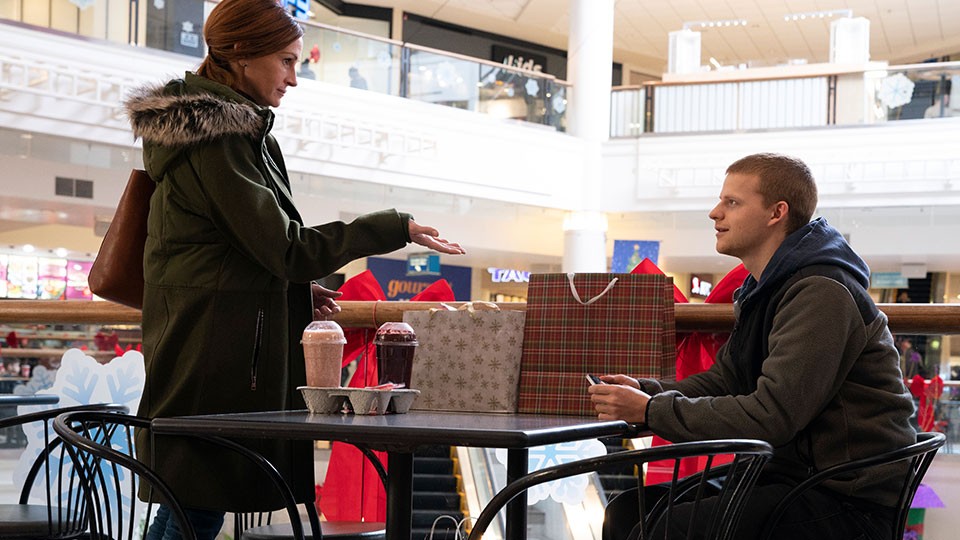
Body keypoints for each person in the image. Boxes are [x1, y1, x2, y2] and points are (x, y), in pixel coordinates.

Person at [123, 1, 463, 538]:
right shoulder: (218, 139)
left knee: (193, 498)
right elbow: (287, 249)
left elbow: (239, 252)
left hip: (208, 341)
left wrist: (292, 294)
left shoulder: (228, 132)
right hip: (213, 350)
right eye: (285, 61)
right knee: (196, 500)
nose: (294, 79)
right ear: (240, 55)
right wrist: (391, 226)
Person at [590, 153, 916, 540]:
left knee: (670, 529)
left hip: (847, 497)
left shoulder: (821, 292)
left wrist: (650, 409)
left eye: (732, 202)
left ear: (776, 213)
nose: (715, 213)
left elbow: (772, 416)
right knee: (628, 510)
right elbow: (726, 379)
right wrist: (646, 392)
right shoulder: (767, 286)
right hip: (789, 476)